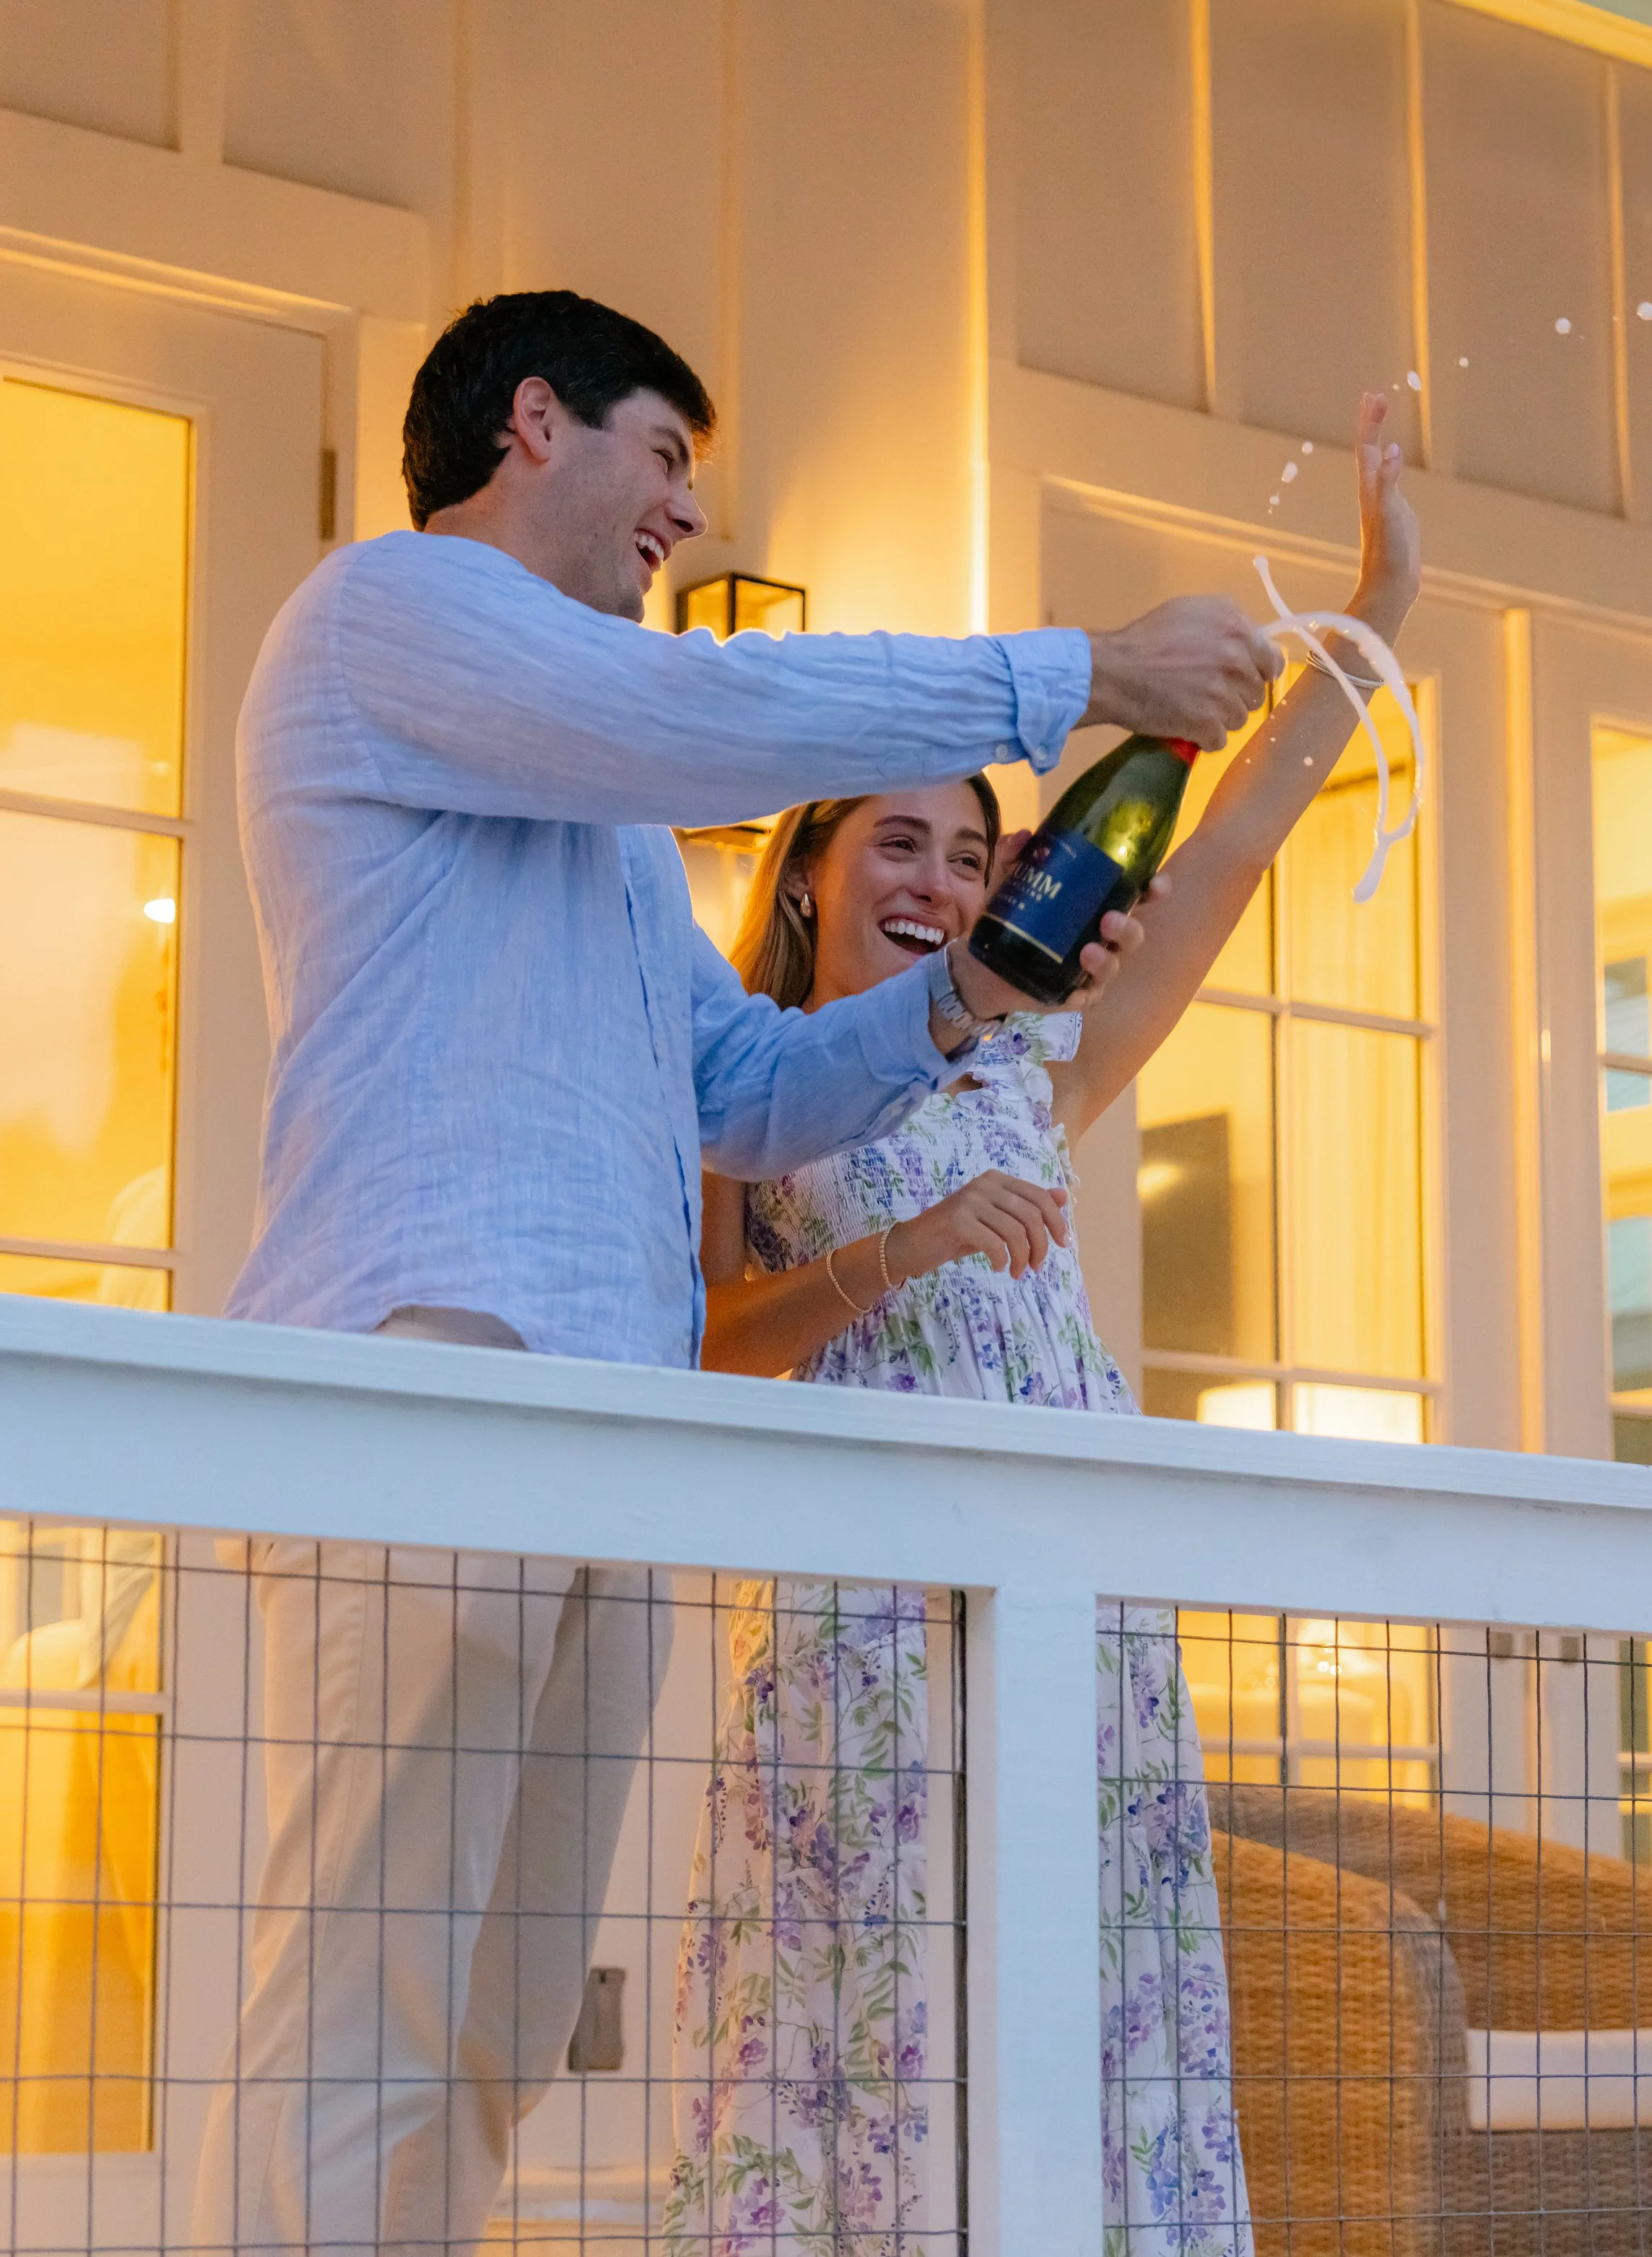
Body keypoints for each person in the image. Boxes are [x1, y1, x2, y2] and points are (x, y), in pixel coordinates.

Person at [191, 286, 1283, 2256]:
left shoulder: (609, 845)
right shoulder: (386, 612)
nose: (683, 510)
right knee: (366, 1996)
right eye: (666, 454)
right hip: (437, 1375)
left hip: (619, 1435)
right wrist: (1082, 667)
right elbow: (689, 718)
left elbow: (755, 1093)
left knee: (501, 2022)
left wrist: (966, 988)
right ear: (534, 422)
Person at [667, 391, 1421, 2256]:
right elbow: (714, 1342)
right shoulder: (746, 1084)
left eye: (971, 853)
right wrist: (905, 1248)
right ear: (815, 867)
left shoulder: (1039, 1056)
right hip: (852, 1636)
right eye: (898, 845)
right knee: (865, 2049)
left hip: (1068, 1624)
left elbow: (1234, 844)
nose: (938, 884)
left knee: (1069, 2043)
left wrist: (1375, 605)